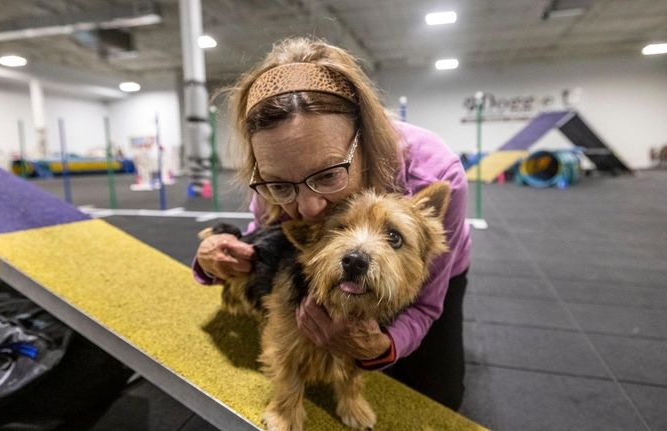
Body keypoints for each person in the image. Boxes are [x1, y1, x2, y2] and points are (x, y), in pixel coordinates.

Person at [193, 37, 471, 410]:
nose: (307, 209)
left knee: (438, 396)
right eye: (279, 185)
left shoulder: (437, 174)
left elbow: (424, 306)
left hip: (436, 273)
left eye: (327, 176)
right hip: (322, 273)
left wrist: (381, 347)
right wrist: (219, 261)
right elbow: (264, 241)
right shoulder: (274, 177)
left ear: (363, 139)